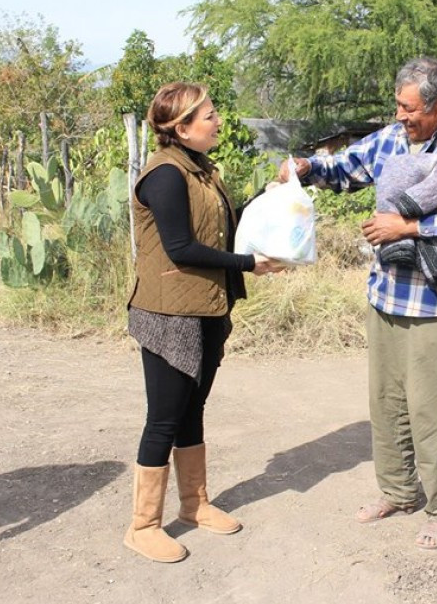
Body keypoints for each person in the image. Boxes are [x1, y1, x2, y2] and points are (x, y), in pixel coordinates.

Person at [278, 57, 437, 549]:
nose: (400, 115)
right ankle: (398, 491)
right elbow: (346, 168)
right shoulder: (391, 139)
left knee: (430, 410)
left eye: (409, 108)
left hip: (432, 303)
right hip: (385, 295)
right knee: (387, 404)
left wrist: (412, 226)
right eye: (397, 105)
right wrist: (309, 167)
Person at [124, 81, 282, 563]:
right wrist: (249, 265)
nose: (216, 121)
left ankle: (194, 505)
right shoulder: (166, 175)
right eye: (208, 115)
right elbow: (182, 248)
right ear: (181, 127)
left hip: (208, 307)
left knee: (192, 411)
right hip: (169, 314)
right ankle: (143, 525)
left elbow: (222, 231)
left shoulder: (201, 171)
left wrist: (268, 196)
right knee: (164, 419)